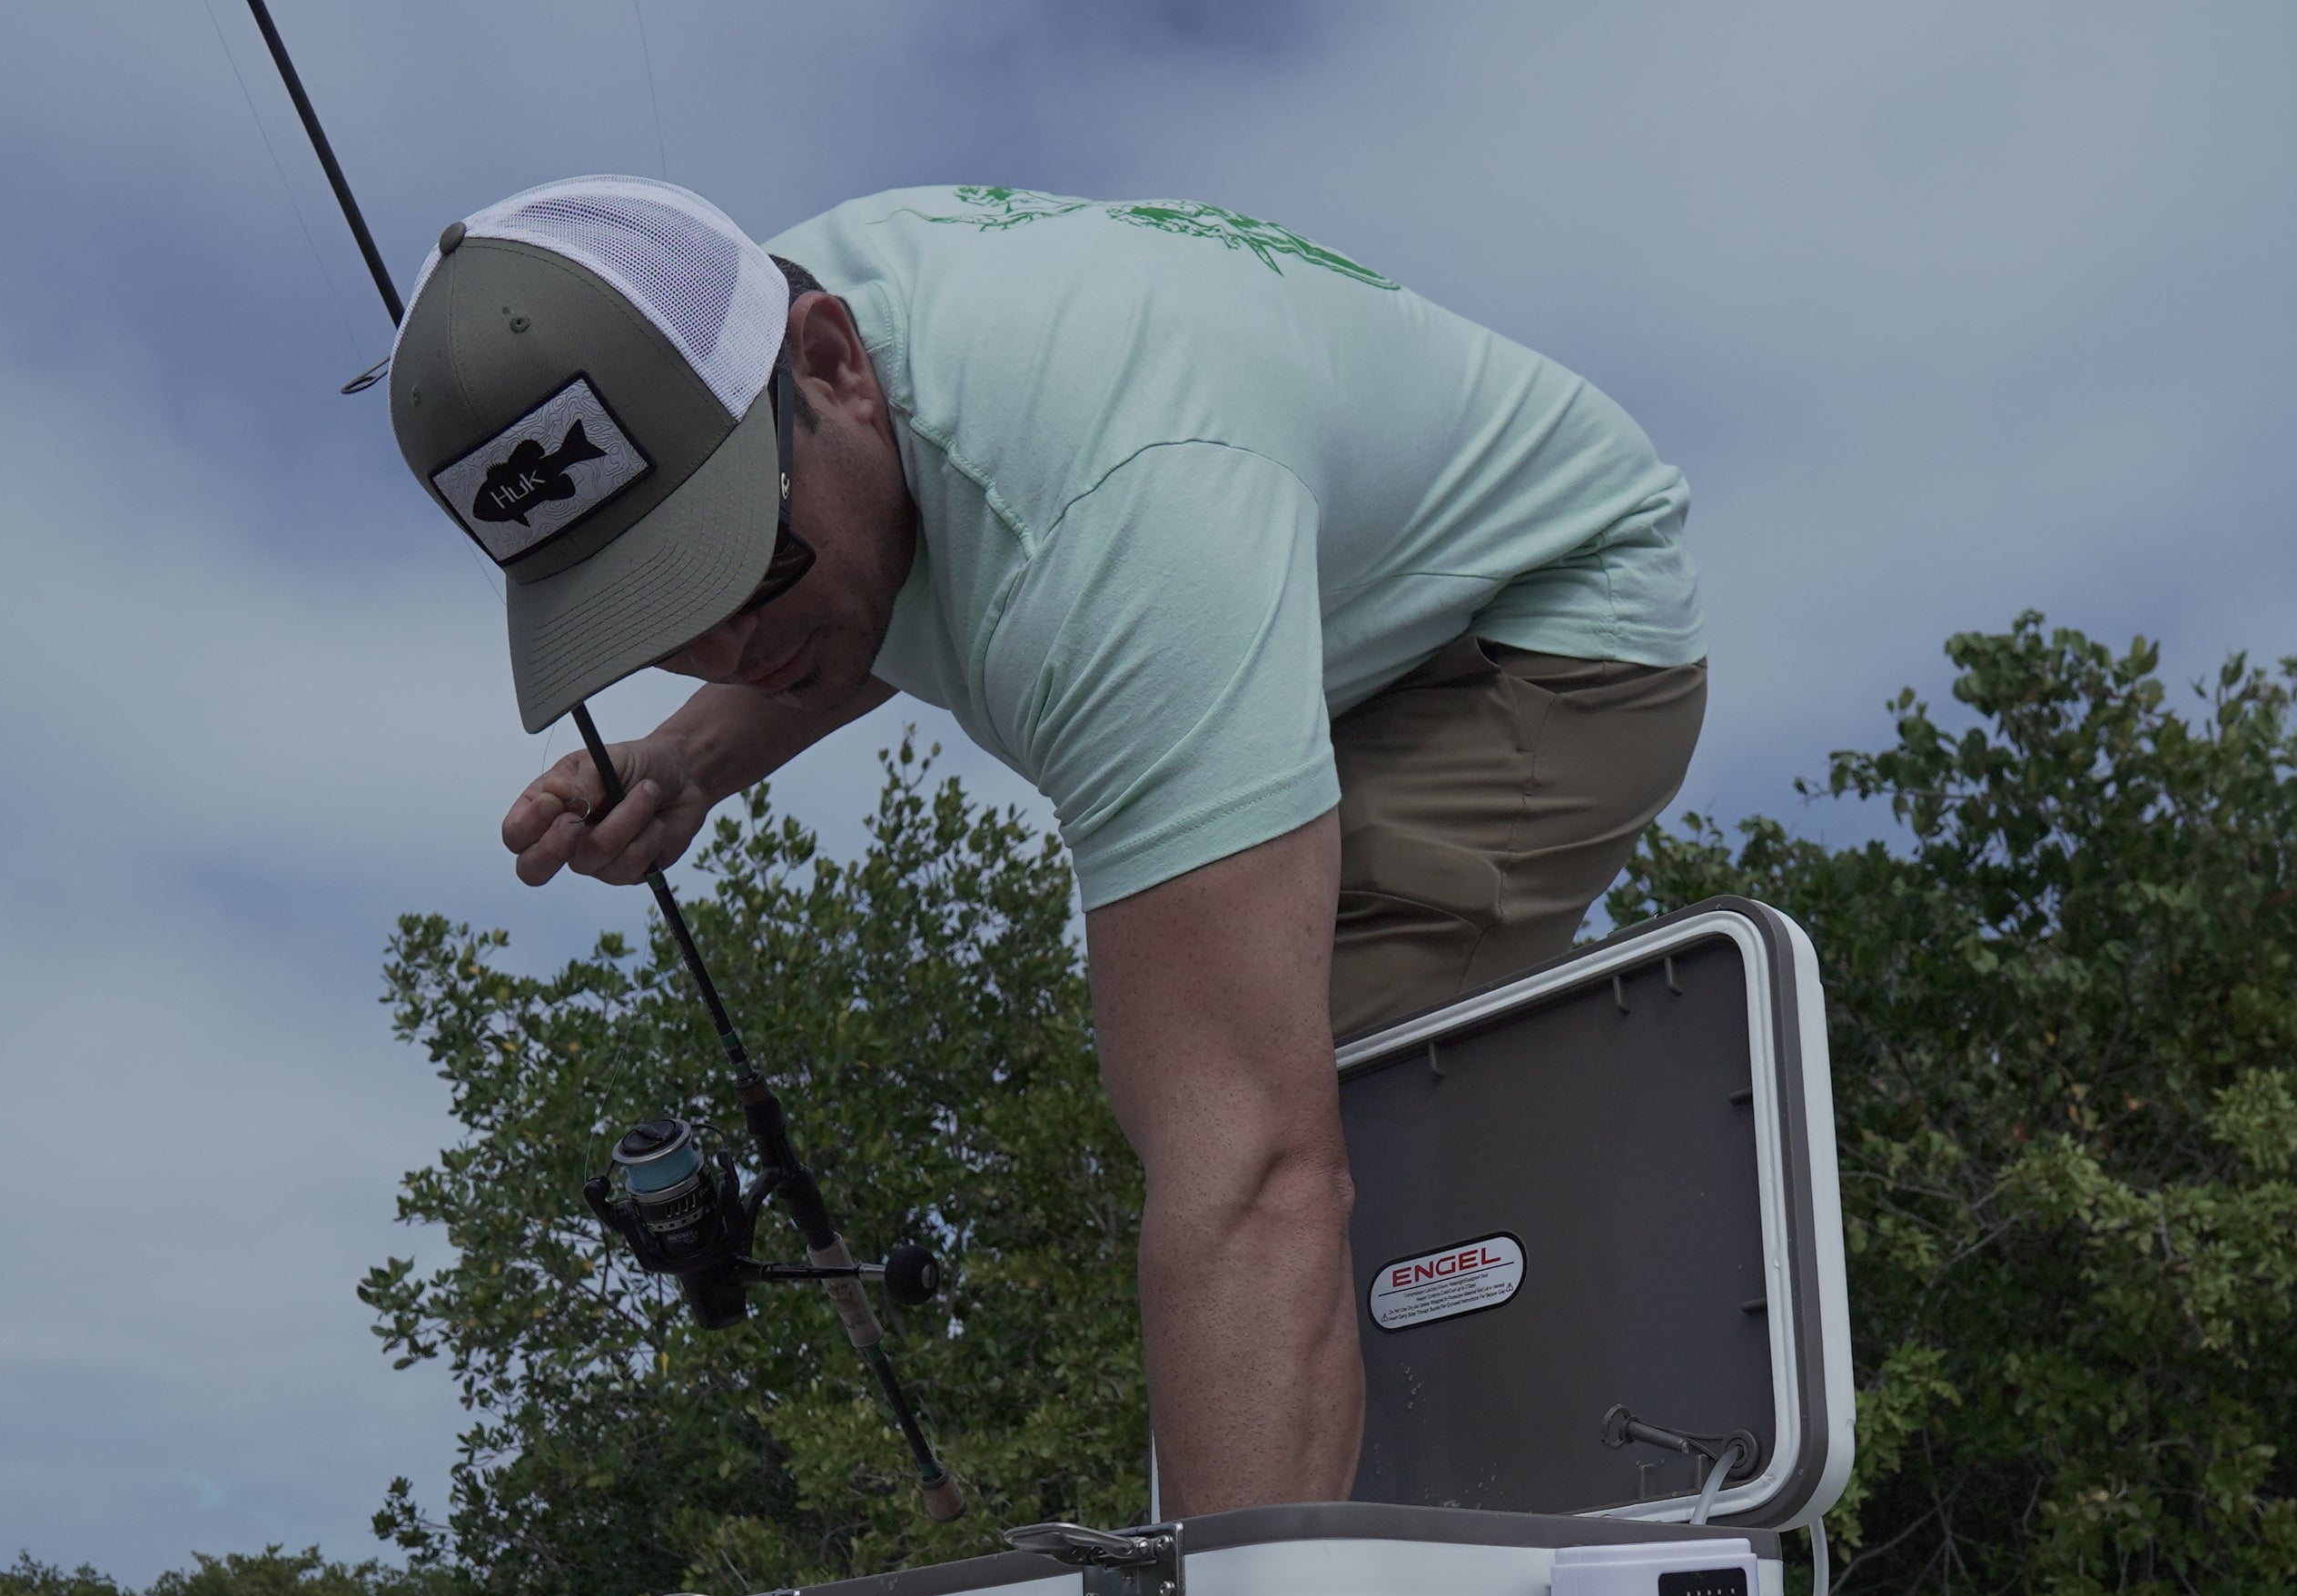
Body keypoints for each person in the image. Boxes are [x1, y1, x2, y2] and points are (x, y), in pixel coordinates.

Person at [387, 179, 1706, 1519]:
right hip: (1264, 573)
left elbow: (1250, 1172)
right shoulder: (758, 336)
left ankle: (1539, 1544)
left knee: (1281, 1114)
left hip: (1527, 631)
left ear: (832, 360)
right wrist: (693, 756)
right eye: (659, 614)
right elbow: (896, 555)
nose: (727, 651)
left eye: (746, 569)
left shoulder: (1117, 513)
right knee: (1201, 1090)